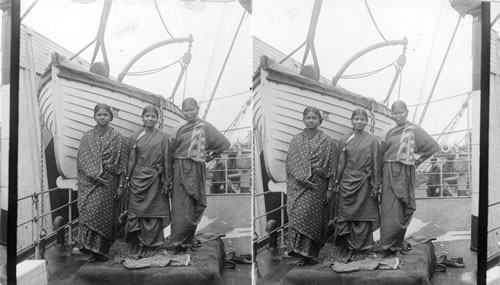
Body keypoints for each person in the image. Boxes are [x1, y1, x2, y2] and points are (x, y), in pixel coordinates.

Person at [170, 98, 230, 252]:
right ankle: (178, 240)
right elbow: (170, 150)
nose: (189, 113)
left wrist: (211, 156)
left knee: (194, 202)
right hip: (178, 169)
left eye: (192, 109)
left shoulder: (205, 126)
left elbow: (224, 143)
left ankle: (188, 239)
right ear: (182, 111)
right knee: (179, 205)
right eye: (186, 110)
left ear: (197, 109)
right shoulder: (178, 127)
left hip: (196, 168)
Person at [380, 100, 439, 256]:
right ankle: (387, 244)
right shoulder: (389, 131)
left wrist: (417, 161)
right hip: (387, 171)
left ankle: (396, 242)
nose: (398, 116)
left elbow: (433, 146)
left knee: (403, 205)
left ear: (407, 112)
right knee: (388, 208)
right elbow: (381, 152)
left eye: (401, 112)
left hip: (405, 171)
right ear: (391, 115)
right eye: (395, 113)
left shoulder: (414, 130)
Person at [285, 106, 338, 265]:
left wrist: (330, 189)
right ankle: (301, 253)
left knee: (314, 220)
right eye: (308, 117)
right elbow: (291, 164)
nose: (311, 120)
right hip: (299, 186)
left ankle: (311, 255)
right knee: (298, 216)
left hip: (318, 185)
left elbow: (332, 167)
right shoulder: (296, 139)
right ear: (303, 119)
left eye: (314, 118)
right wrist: (301, 177)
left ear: (320, 121)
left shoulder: (327, 141)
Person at [77, 103, 128, 262]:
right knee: (89, 212)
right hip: (90, 183)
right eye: (99, 114)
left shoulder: (118, 138)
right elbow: (82, 161)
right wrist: (93, 174)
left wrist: (120, 186)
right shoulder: (87, 136)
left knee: (105, 216)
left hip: (109, 182)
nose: (102, 117)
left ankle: (102, 251)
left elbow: (123, 164)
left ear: (110, 117)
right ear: (94, 116)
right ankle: (91, 250)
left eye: (105, 114)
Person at [124, 105, 173, 257]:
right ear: (142, 118)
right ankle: (137, 244)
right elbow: (132, 160)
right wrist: (127, 178)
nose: (150, 119)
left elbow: (167, 160)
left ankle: (152, 245)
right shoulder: (134, 136)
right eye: (147, 116)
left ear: (157, 119)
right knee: (135, 214)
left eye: (153, 116)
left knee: (154, 214)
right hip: (137, 179)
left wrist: (167, 181)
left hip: (155, 180)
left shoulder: (164, 137)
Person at [333, 108, 381, 260]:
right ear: (351, 121)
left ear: (366, 122)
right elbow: (341, 162)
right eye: (356, 119)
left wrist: (375, 185)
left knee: (363, 217)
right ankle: (347, 247)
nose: (359, 122)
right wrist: (336, 181)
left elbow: (376, 163)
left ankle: (362, 248)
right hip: (347, 182)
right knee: (345, 216)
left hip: (365, 182)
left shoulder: (372, 140)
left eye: (362, 119)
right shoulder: (344, 139)